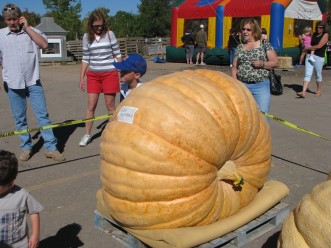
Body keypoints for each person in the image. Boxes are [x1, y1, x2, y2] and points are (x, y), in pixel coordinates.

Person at [0, 4, 65, 162]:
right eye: (8, 19)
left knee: (43, 116)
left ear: (20, 18)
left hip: (32, 81)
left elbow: (43, 44)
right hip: (13, 83)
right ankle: (26, 147)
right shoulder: (1, 35)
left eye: (15, 18)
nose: (12, 22)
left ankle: (51, 148)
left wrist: (27, 28)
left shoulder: (32, 31)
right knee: (20, 118)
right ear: (5, 20)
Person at [79, 10, 122, 147]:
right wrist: (81, 78)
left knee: (110, 106)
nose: (99, 28)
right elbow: (86, 58)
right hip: (93, 75)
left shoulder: (110, 35)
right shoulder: (86, 37)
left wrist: (120, 71)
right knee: (91, 106)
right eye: (96, 26)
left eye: (101, 25)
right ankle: (87, 134)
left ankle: (113, 135)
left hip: (110, 74)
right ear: (91, 25)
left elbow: (117, 54)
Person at [231, 18, 279, 117]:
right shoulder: (240, 47)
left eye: (248, 30)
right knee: (244, 117)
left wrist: (263, 64)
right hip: (243, 86)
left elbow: (275, 62)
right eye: (243, 29)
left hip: (260, 86)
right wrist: (235, 85)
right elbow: (235, 67)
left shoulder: (264, 44)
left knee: (262, 116)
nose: (245, 32)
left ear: (255, 30)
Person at [0, 150, 43, 248]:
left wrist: (35, 234)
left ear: (10, 184)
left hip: (19, 244)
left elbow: (34, 211)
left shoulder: (22, 195)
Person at [297, 21, 329, 98]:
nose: (318, 29)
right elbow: (307, 42)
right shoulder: (313, 34)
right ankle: (303, 91)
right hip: (309, 55)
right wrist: (302, 40)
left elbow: (319, 46)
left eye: (320, 27)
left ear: (323, 28)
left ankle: (318, 90)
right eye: (317, 27)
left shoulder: (325, 35)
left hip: (319, 56)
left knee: (318, 74)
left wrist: (308, 48)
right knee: (307, 73)